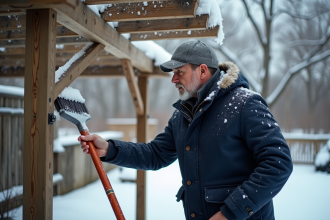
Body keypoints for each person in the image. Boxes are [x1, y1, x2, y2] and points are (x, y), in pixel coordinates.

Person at [79, 40, 293, 220]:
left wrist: (231, 212)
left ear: (202, 70)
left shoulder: (244, 104)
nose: (173, 79)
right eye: (173, 73)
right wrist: (109, 149)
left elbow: (278, 162)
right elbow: (156, 154)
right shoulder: (183, 115)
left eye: (179, 72)